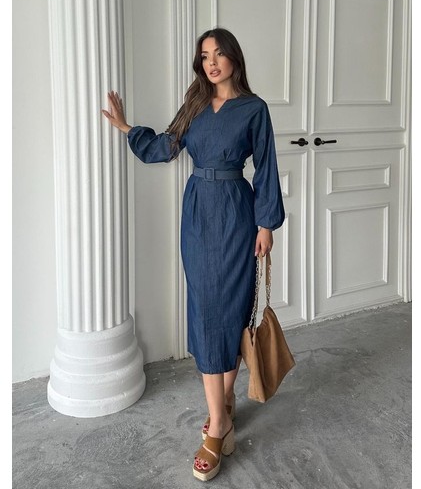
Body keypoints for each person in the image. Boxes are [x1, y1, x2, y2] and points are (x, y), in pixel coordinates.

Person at [102, 27, 285, 482]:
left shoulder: (254, 109)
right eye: (204, 56)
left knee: (233, 308)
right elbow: (166, 146)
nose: (212, 62)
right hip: (199, 213)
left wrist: (265, 224)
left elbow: (266, 166)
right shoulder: (196, 103)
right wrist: (127, 128)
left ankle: (220, 419)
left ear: (234, 58)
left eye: (219, 54)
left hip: (238, 213)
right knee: (205, 311)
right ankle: (220, 413)